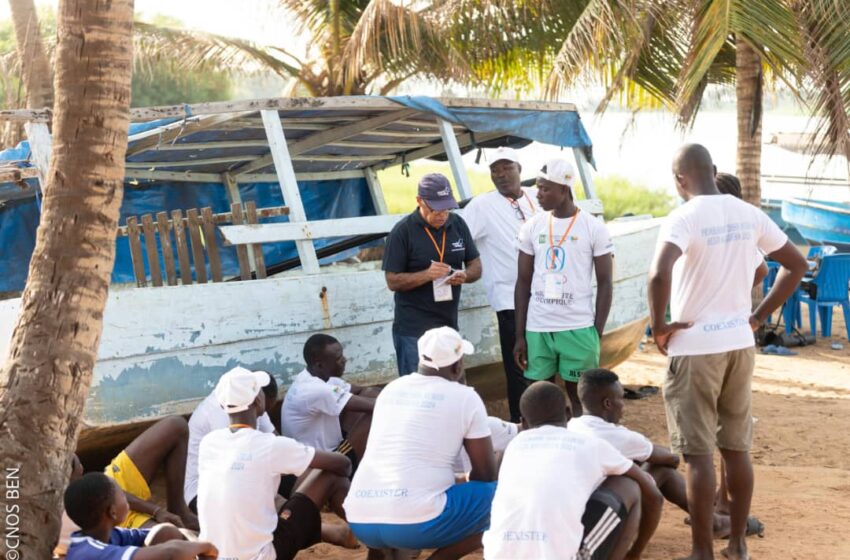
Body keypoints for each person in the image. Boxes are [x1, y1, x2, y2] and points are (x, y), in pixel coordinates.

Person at [648, 144, 807, 560]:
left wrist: (660, 326)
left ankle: (702, 550)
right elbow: (796, 265)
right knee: (737, 451)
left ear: (679, 179)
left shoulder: (683, 217)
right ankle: (737, 545)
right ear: (713, 170)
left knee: (698, 456)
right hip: (739, 344)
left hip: (696, 349)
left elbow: (659, 273)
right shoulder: (749, 213)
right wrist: (757, 317)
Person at [344, 327, 497, 559]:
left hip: (360, 519)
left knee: (409, 509)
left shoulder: (391, 390)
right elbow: (485, 474)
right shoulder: (466, 397)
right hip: (416, 523)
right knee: (501, 497)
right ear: (457, 366)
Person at [569, 369, 764, 539]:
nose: (624, 405)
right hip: (600, 520)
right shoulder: (619, 437)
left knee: (634, 469)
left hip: (574, 516)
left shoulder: (571, 426)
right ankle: (713, 522)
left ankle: (707, 514)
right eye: (621, 398)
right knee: (660, 468)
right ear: (607, 404)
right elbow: (671, 458)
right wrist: (641, 459)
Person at [483, 381, 663, 560]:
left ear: (523, 422)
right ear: (569, 414)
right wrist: (635, 552)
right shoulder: (591, 445)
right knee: (629, 485)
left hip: (498, 555)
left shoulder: (512, 447)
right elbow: (654, 495)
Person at [197, 366, 353, 560]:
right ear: (258, 400)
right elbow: (343, 464)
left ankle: (352, 532)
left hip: (214, 556)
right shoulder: (269, 445)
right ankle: (365, 531)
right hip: (263, 556)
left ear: (223, 405)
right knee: (330, 474)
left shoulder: (209, 443)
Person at [514, 158, 614, 416]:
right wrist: (519, 334)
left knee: (581, 398)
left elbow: (605, 282)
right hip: (538, 327)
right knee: (538, 398)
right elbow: (523, 281)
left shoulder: (593, 228)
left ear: (564, 189)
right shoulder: (532, 227)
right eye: (538, 187)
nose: (538, 194)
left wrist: (596, 331)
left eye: (545, 188)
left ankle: (581, 440)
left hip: (578, 326)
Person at [462, 146, 537, 421]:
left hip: (544, 296)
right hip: (509, 299)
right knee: (519, 365)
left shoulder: (535, 198)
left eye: (507, 168)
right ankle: (521, 421)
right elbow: (459, 238)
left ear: (520, 169)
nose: (501, 174)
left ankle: (544, 419)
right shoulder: (481, 205)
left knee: (543, 361)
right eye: (495, 170)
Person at [383, 173, 482, 375]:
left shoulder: (458, 224)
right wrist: (426, 275)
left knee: (452, 382)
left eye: (446, 208)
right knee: (416, 386)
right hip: (413, 330)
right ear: (419, 201)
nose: (442, 214)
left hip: (448, 327)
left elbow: (476, 265)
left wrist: (465, 275)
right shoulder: (402, 232)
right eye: (435, 209)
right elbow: (392, 281)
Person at [64, 472, 217, 560]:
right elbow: (170, 553)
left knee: (166, 531)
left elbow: (166, 532)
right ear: (113, 512)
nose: (127, 498)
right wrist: (207, 547)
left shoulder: (108, 534)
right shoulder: (88, 552)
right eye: (122, 495)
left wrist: (195, 541)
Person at [184, 370, 279, 511]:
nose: (263, 413)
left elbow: (276, 440)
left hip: (236, 479)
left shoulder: (249, 402)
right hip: (202, 492)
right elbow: (235, 467)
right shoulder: (222, 414)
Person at [281, 334, 379, 464]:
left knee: (368, 393)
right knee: (374, 413)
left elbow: (364, 391)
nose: (344, 360)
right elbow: (377, 405)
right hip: (321, 462)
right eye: (338, 358)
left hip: (328, 448)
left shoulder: (318, 377)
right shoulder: (316, 389)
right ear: (319, 365)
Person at [103, 416, 198, 531]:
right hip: (114, 515)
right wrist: (156, 511)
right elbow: (105, 493)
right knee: (169, 533)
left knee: (177, 425)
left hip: (114, 482)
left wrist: (157, 511)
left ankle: (179, 511)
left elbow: (105, 486)